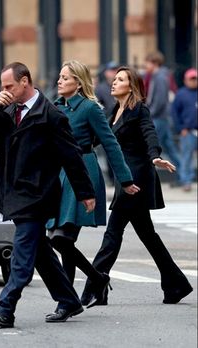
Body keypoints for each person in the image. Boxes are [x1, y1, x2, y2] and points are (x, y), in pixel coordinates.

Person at [0, 61, 97, 327]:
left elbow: (72, 156)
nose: (4, 90)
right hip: (14, 190)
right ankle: (69, 300)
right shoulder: (7, 109)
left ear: (25, 81)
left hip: (38, 194)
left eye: (9, 86)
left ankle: (5, 307)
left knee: (22, 250)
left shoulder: (51, 115)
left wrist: (85, 192)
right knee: (40, 250)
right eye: (2, 86)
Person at [81, 66, 193, 307]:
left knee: (113, 233)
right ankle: (177, 284)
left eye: (120, 79)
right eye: (115, 78)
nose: (113, 82)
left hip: (136, 179)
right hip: (126, 177)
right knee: (147, 236)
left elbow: (149, 133)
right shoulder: (114, 111)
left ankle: (94, 286)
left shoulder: (139, 109)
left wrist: (155, 156)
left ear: (131, 87)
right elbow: (100, 139)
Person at [46, 60, 139, 306]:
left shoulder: (90, 108)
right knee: (60, 239)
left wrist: (125, 178)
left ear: (78, 81)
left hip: (82, 173)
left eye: (65, 77)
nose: (59, 81)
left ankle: (77, 294)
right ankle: (91, 283)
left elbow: (110, 143)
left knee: (61, 238)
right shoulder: (54, 107)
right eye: (60, 76)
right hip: (58, 176)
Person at [144, 51, 181, 186]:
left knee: (150, 147)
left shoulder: (159, 77)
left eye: (147, 63)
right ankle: (181, 176)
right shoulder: (158, 76)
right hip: (161, 117)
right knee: (169, 147)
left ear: (154, 63)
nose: (145, 66)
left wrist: (150, 113)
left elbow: (159, 100)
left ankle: (181, 176)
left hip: (158, 117)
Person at [171, 68, 198, 192]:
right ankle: (186, 181)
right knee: (186, 157)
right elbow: (175, 113)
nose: (194, 81)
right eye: (191, 79)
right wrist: (181, 128)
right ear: (185, 80)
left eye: (195, 79)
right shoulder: (181, 94)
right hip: (188, 131)